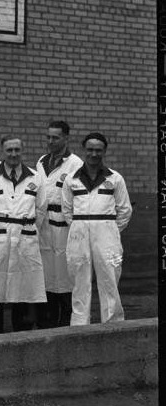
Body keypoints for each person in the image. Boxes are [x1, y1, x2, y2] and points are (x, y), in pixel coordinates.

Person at [62, 132, 132, 325]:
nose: (94, 154)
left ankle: (113, 324)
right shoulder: (71, 179)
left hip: (107, 233)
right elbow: (67, 210)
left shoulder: (115, 178)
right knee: (79, 280)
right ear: (84, 150)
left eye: (98, 150)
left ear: (104, 151)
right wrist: (81, 226)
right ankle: (79, 325)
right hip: (79, 232)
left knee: (110, 278)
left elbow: (125, 210)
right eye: (90, 149)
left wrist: (109, 229)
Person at [0, 136, 47, 334]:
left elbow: (41, 210)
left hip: (24, 237)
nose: (13, 154)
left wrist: (24, 228)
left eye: (17, 150)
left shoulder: (35, 177)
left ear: (22, 151)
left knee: (23, 284)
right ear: (2, 151)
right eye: (9, 150)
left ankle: (20, 330)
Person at [35, 120, 82, 327]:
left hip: (64, 225)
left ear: (66, 138)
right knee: (47, 274)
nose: (51, 141)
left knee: (65, 274)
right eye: (48, 137)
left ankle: (67, 318)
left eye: (55, 137)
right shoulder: (41, 161)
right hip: (44, 225)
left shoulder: (75, 164)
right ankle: (49, 318)